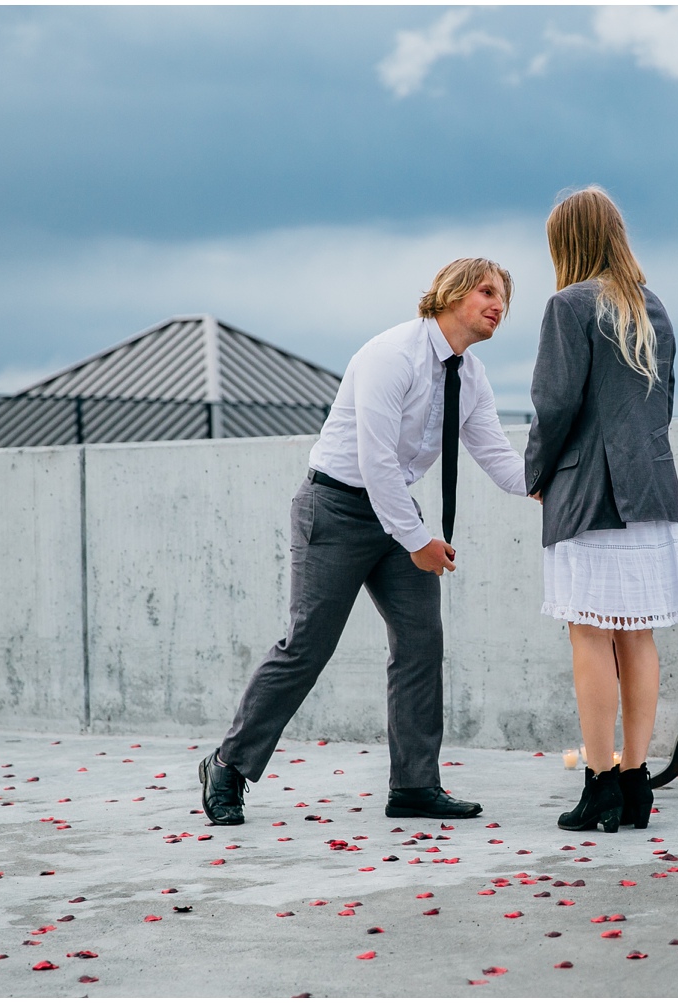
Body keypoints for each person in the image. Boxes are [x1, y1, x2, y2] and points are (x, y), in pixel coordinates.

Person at [200, 258, 527, 824]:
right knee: (308, 646)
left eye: (505, 297)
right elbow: (374, 461)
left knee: (420, 646)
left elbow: (497, 457)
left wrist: (557, 485)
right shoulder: (391, 355)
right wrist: (419, 541)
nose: (499, 304)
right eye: (487, 291)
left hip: (396, 512)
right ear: (451, 294)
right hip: (336, 508)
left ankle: (414, 787)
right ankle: (228, 764)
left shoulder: (469, 376)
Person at [524, 187, 678, 833]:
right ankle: (635, 781)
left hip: (590, 493)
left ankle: (598, 787)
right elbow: (665, 403)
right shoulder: (654, 307)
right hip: (651, 491)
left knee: (589, 631)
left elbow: (554, 406)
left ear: (568, 241)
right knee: (638, 634)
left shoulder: (567, 306)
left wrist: (538, 473)